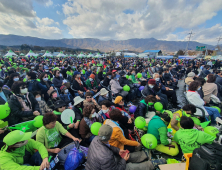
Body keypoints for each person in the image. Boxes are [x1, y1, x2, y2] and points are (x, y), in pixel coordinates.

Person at [85, 124, 166, 170]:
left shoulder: (96, 138)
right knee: (129, 167)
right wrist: (123, 160)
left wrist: (118, 150)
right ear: (110, 137)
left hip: (101, 164)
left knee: (123, 154)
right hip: (105, 166)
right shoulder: (106, 156)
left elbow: (108, 146)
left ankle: (143, 155)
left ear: (99, 133)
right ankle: (151, 164)